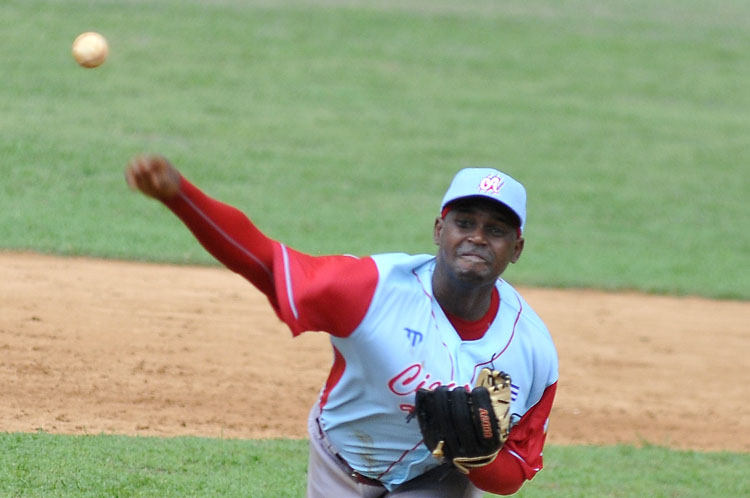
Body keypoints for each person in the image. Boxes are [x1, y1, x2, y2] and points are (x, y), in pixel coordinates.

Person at [125, 156, 558, 497]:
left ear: (516, 248)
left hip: (434, 478)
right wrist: (180, 197)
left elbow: (515, 473)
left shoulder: (532, 351)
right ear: (439, 229)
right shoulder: (372, 290)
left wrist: (479, 458)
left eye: (496, 229)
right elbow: (263, 260)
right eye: (464, 223)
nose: (478, 238)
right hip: (339, 459)